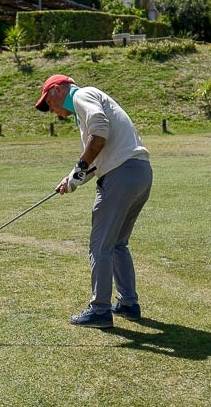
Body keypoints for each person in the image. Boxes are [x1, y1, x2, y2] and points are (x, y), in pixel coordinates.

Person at [35, 74, 153, 328]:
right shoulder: (87, 105)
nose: (52, 110)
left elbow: (99, 134)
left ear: (57, 90)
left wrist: (78, 171)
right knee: (118, 243)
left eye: (49, 102)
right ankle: (128, 303)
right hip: (140, 173)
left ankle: (100, 309)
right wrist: (72, 179)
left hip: (121, 176)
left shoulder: (81, 95)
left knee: (101, 245)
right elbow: (96, 157)